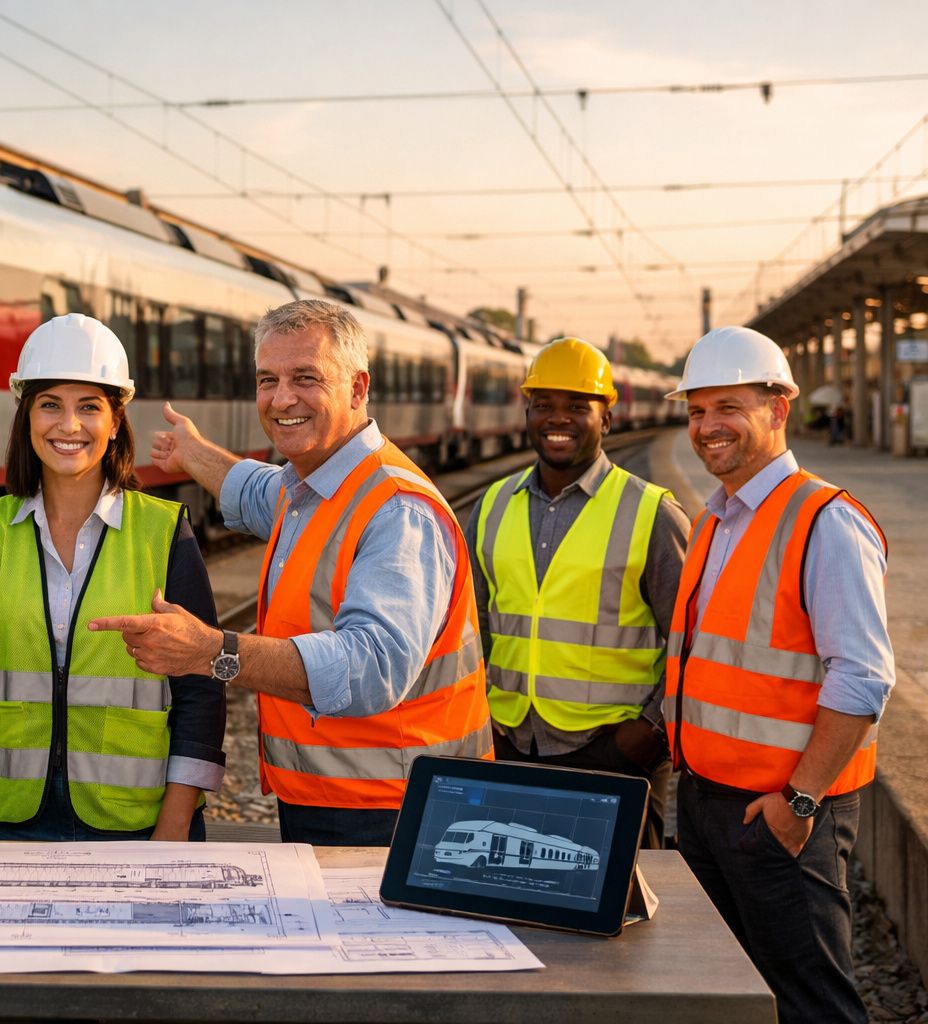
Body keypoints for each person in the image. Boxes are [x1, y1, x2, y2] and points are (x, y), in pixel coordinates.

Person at [98, 298, 492, 847]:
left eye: (306, 378)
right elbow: (254, 490)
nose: (282, 399)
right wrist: (192, 452)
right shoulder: (311, 487)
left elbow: (371, 667)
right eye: (268, 380)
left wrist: (213, 652)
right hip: (340, 798)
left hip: (399, 810)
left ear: (357, 388)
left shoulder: (397, 510)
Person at [0, 314, 225, 841]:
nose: (68, 425)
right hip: (5, 817)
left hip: (134, 822)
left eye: (89, 407)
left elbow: (201, 688)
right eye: (50, 405)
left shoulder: (164, 531)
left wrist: (174, 826)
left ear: (116, 421)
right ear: (26, 416)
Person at [664, 325, 892, 1024]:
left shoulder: (826, 521)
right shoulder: (716, 520)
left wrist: (799, 804)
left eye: (728, 408)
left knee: (811, 1003)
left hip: (782, 814)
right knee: (728, 1000)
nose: (708, 427)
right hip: (707, 804)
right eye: (697, 411)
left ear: (778, 409)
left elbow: (862, 678)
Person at [467, 338, 688, 848]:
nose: (557, 419)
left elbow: (692, 643)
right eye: (543, 404)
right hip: (512, 744)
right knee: (516, 886)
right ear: (527, 413)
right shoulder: (493, 505)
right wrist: (483, 721)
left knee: (620, 895)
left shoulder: (652, 513)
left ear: (606, 418)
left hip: (613, 753)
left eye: (576, 406)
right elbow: (471, 628)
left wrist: (648, 732)